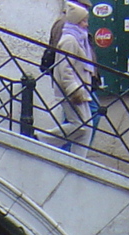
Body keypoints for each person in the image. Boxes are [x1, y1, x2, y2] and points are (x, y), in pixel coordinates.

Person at [51, 1, 98, 154]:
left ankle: (78, 161)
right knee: (79, 125)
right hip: (73, 89)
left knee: (85, 127)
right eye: (83, 21)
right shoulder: (70, 40)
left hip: (81, 87)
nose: (86, 24)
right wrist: (74, 90)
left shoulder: (79, 38)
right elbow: (65, 69)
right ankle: (42, 138)